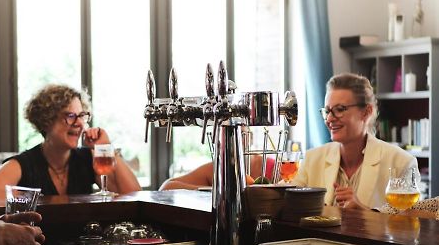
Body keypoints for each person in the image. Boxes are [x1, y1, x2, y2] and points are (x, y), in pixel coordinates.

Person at [292, 73, 418, 210]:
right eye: (327, 111)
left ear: (366, 112)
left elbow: (408, 225)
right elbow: (284, 199)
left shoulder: (402, 163)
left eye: (339, 109)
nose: (329, 119)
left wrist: (364, 212)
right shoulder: (312, 159)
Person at [0, 84, 141, 197]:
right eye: (70, 116)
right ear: (46, 121)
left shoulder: (87, 158)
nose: (79, 123)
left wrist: (106, 147)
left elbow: (134, 195)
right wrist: (17, 197)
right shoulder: (23, 164)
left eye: (81, 115)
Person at [159, 154, 275, 190]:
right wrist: (215, 193)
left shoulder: (275, 168)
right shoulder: (218, 167)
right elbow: (167, 187)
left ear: (250, 137)